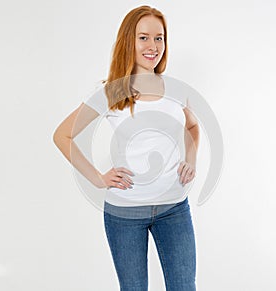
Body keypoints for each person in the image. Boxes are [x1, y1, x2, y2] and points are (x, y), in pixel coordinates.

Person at [53, 5, 200, 291]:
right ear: (128, 41)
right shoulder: (112, 92)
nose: (153, 46)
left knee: (183, 286)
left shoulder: (177, 89)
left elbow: (192, 127)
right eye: (143, 37)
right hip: (125, 213)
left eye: (159, 38)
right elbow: (62, 136)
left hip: (174, 208)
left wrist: (190, 160)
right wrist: (97, 178)